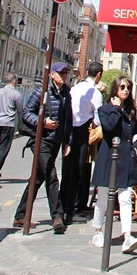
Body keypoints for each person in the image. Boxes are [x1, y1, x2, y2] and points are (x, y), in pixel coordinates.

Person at [13, 62, 72, 233]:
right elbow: (26, 114)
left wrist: (67, 141)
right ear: (52, 74)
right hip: (41, 141)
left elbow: (68, 119)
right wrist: (43, 122)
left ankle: (20, 214)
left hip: (56, 141)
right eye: (61, 73)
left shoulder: (66, 94)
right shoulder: (42, 92)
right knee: (51, 176)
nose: (64, 76)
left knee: (38, 178)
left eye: (66, 73)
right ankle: (57, 216)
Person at [90, 75, 137, 255]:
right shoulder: (105, 109)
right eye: (122, 87)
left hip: (125, 159)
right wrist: (115, 109)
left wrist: (135, 145)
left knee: (125, 197)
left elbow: (134, 132)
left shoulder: (131, 111)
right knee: (103, 197)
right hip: (109, 159)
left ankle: (127, 236)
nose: (125, 90)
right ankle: (97, 230)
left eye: (128, 87)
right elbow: (109, 128)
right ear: (115, 90)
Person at [60, 61, 103, 224]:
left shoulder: (75, 88)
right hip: (82, 132)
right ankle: (73, 209)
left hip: (69, 131)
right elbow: (98, 118)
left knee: (67, 171)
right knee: (78, 171)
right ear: (98, 74)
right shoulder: (94, 92)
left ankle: (64, 207)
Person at [0, 72, 23, 176]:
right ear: (14, 81)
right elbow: (20, 111)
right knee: (3, 149)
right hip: (8, 124)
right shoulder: (16, 94)